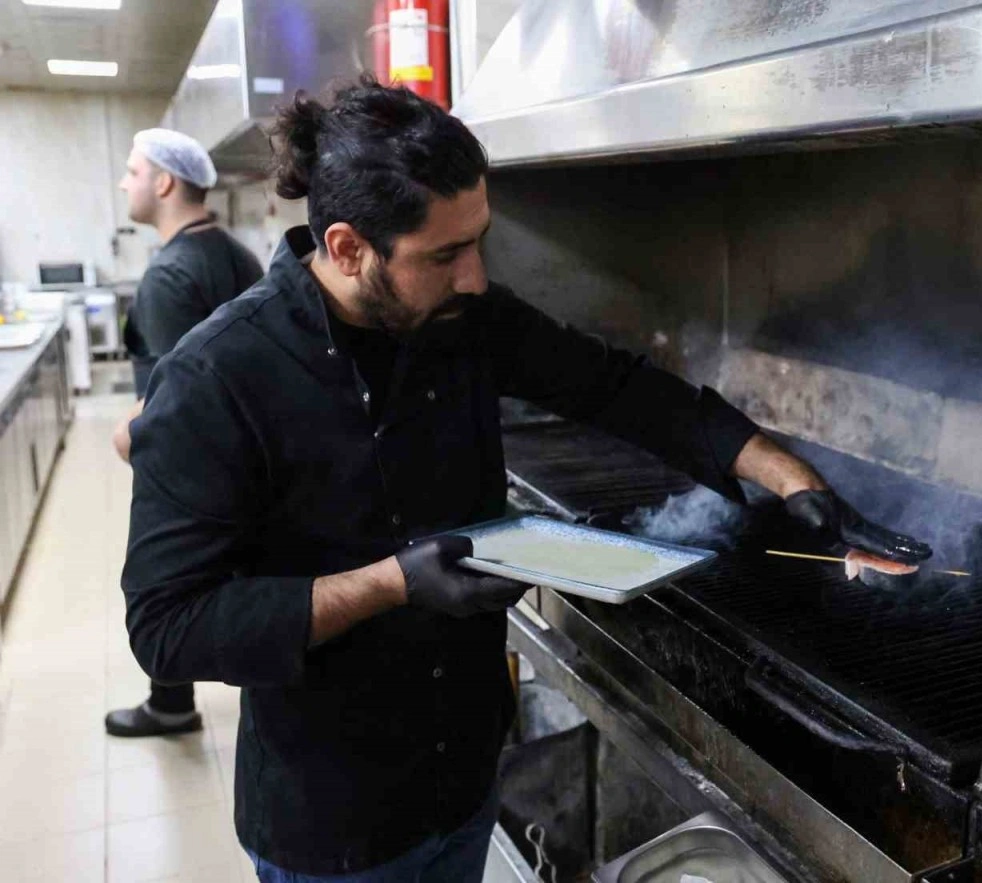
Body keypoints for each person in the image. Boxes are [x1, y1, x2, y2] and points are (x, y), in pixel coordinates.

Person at [121, 78, 931, 882]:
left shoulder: (464, 320)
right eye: (445, 254)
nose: (475, 276)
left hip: (468, 773)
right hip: (335, 818)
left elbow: (616, 386)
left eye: (479, 241)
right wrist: (393, 582)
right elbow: (168, 624)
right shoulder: (219, 376)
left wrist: (785, 475)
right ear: (347, 248)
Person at [107, 128, 263, 738]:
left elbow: (173, 404)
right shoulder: (239, 257)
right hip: (249, 458)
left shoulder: (169, 275)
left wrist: (130, 433)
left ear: (164, 183)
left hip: (191, 471)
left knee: (167, 588)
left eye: (132, 171)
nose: (124, 183)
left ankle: (170, 704)